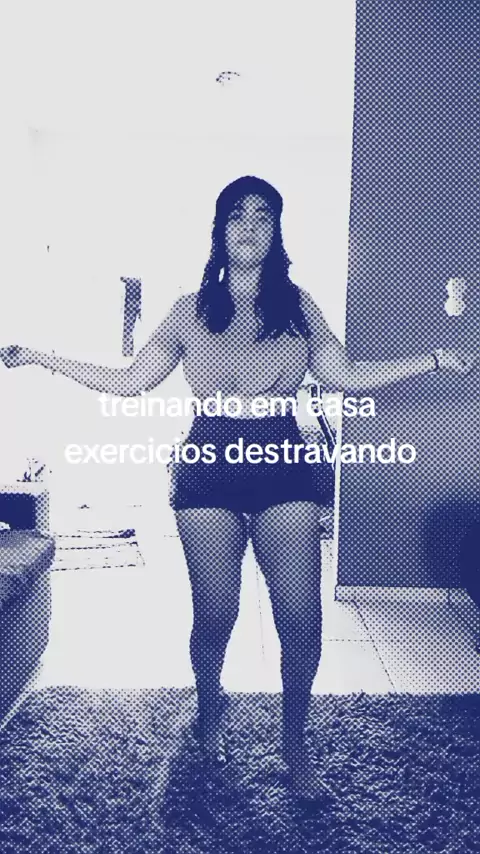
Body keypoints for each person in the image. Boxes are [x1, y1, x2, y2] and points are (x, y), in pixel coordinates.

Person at [0, 175, 475, 801]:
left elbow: (344, 375)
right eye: (237, 215)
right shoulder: (189, 309)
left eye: (263, 215)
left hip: (283, 466)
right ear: (220, 230)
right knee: (216, 613)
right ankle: (209, 708)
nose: (250, 225)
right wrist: (43, 357)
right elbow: (129, 381)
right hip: (208, 469)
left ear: (276, 231)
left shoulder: (297, 305)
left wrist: (431, 361)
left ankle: (295, 745)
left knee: (300, 618)